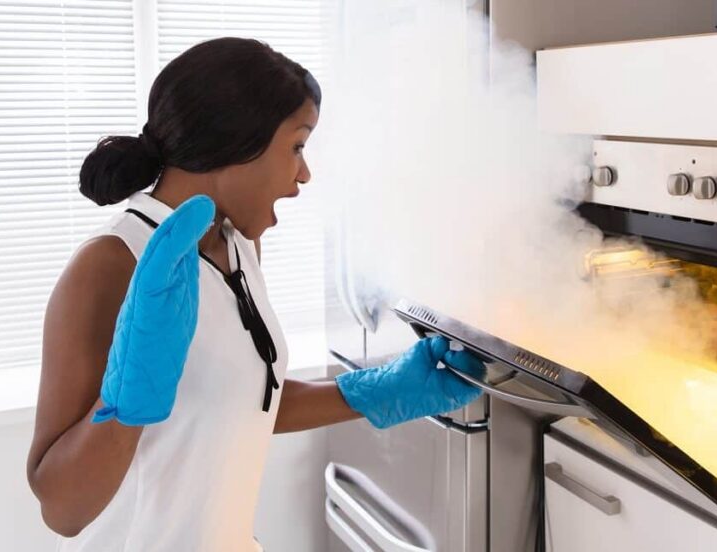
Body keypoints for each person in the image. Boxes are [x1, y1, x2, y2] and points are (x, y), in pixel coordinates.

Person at [25, 37, 482, 552]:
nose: (304, 173)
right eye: (297, 146)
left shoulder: (237, 245)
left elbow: (242, 399)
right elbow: (62, 510)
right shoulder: (110, 264)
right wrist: (125, 403)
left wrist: (374, 391)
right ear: (235, 145)